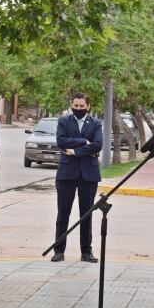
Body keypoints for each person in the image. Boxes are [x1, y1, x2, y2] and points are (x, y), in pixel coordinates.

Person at [51, 92, 103, 263]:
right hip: (67, 174)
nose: (78, 108)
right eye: (76, 105)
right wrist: (84, 143)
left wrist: (74, 151)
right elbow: (61, 141)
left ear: (88, 106)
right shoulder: (63, 121)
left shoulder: (96, 123)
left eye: (82, 106)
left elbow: (98, 144)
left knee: (86, 213)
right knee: (63, 213)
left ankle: (86, 252)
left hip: (89, 174)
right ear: (71, 104)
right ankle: (59, 250)